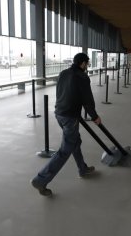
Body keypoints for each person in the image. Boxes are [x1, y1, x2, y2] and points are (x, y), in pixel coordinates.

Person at [31, 53, 101, 197]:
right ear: (82, 63)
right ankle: (41, 180)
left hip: (59, 113)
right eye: (87, 64)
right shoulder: (82, 77)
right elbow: (87, 100)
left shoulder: (63, 73)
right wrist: (94, 116)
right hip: (70, 117)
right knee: (65, 150)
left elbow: (60, 92)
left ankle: (82, 168)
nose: (87, 66)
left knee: (75, 141)